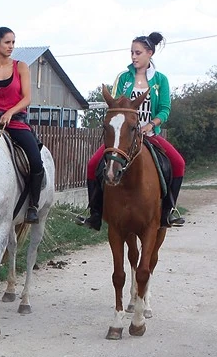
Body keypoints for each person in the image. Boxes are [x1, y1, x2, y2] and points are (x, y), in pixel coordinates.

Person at [79, 32, 186, 231]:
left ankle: (168, 211)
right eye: (132, 53)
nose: (134, 57)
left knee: (178, 163)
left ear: (150, 54)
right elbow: (114, 105)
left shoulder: (161, 80)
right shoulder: (123, 78)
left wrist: (151, 124)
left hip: (149, 134)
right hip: (124, 136)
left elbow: (165, 109)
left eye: (138, 53)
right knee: (93, 164)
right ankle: (94, 213)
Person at [0, 27, 46, 224]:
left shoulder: (21, 67)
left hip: (16, 123)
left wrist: (10, 112)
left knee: (35, 160)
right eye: (8, 42)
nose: (11, 46)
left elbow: (27, 98)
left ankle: (33, 205)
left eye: (13, 42)